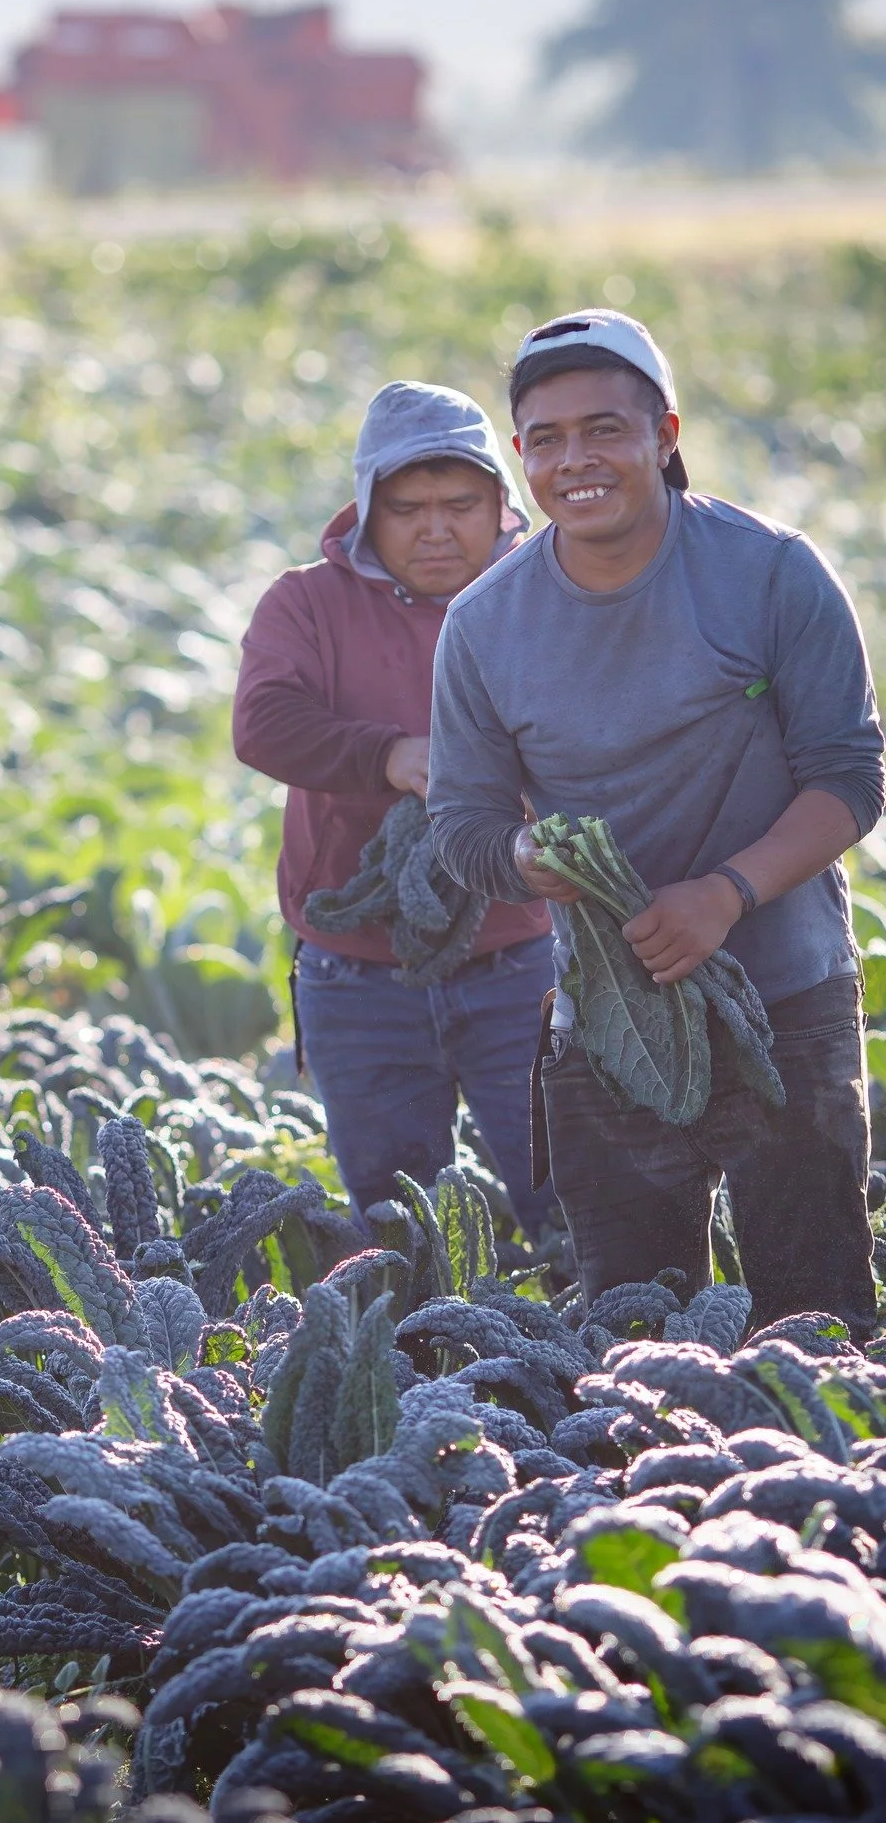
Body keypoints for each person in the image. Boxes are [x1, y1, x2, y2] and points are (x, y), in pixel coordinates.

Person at [429, 308, 884, 1331]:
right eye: (545, 439)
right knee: (637, 1330)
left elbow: (851, 777)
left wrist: (724, 895)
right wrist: (525, 856)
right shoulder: (483, 625)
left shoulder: (769, 571)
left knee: (816, 1319)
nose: (574, 461)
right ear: (519, 458)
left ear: (665, 434)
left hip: (786, 993)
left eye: (604, 429)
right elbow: (461, 823)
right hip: (607, 1015)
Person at [234, 380, 557, 1229]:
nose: (435, 529)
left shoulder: (550, 593)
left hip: (523, 961)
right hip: (356, 976)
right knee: (397, 1225)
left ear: (501, 502)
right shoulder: (306, 602)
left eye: (460, 505)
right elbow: (262, 723)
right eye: (408, 508)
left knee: (572, 1202)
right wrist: (391, 755)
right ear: (367, 509)